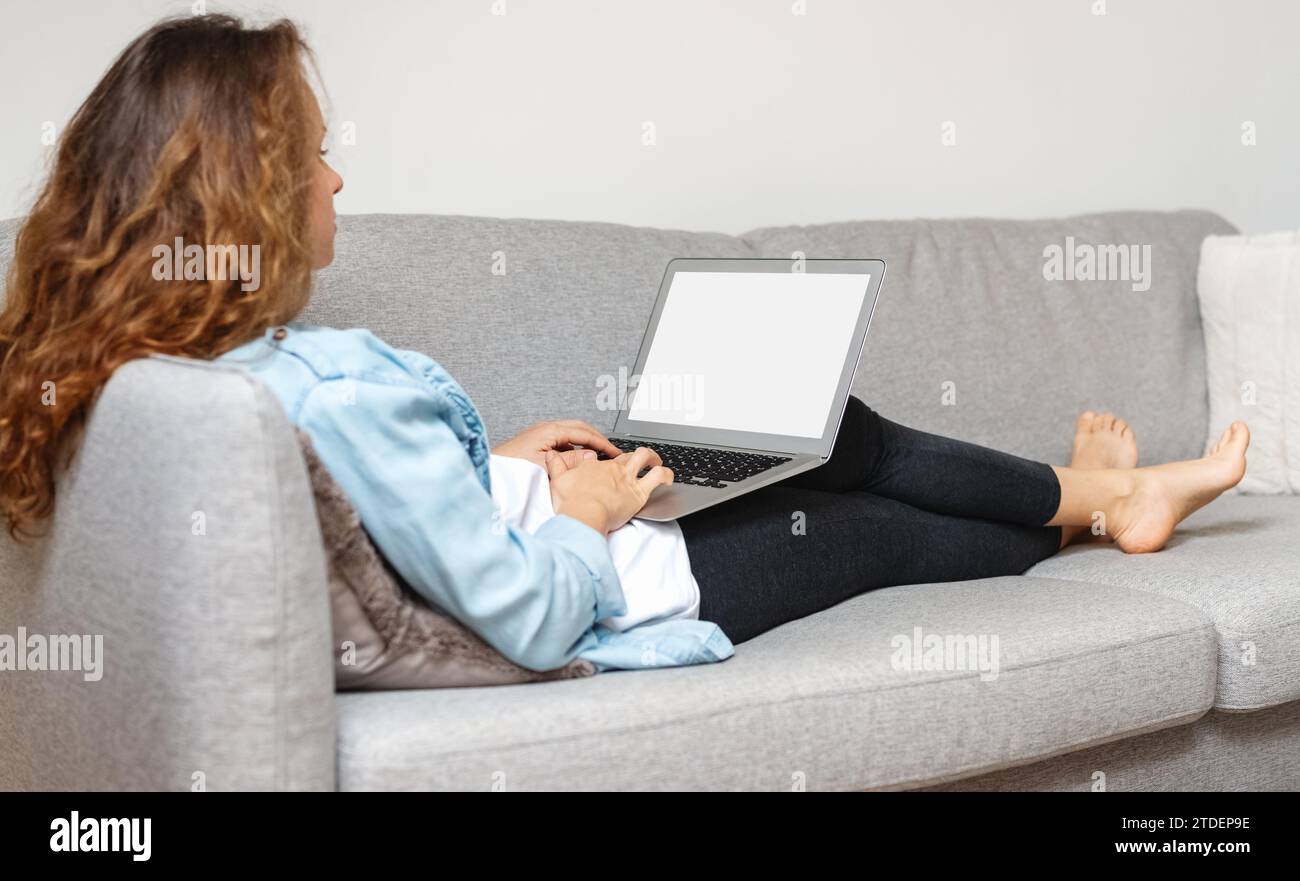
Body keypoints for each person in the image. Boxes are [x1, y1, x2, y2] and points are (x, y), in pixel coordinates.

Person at [0, 16, 1250, 675]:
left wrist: (496, 467)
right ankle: (1106, 507)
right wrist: (582, 517)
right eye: (313, 157)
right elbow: (531, 621)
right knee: (865, 522)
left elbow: (371, 522)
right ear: (245, 199)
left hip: (557, 516)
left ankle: (1096, 496)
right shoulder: (312, 385)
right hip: (623, 582)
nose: (335, 178)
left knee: (825, 428)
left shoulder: (175, 372)